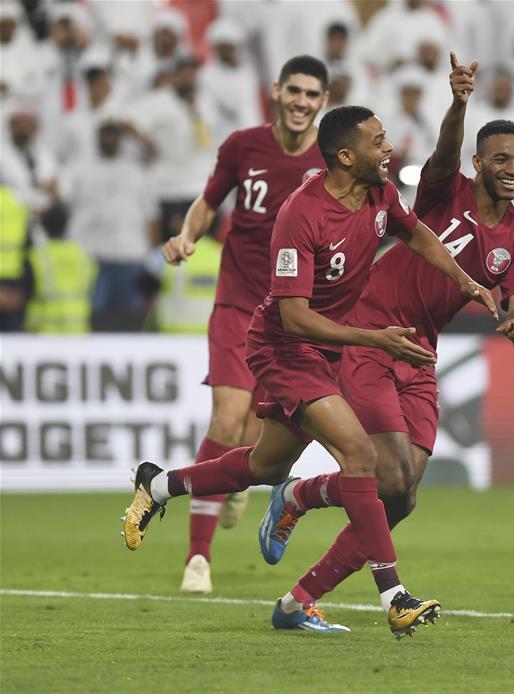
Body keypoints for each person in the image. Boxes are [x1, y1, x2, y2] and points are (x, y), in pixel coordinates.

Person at [123, 104, 499, 638]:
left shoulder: (381, 193)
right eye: (378, 140)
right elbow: (293, 316)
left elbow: (416, 236)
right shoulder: (302, 214)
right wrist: (373, 338)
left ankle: (157, 485)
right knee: (361, 454)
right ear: (347, 156)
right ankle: (394, 595)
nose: (389, 148)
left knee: (264, 467)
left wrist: (465, 281)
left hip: (326, 346)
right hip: (284, 345)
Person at [255, 54, 514, 615]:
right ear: (478, 162)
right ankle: (305, 508)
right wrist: (458, 103)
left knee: (403, 495)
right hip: (369, 332)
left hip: (419, 352)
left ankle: (298, 592)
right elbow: (444, 148)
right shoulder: (442, 192)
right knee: (387, 475)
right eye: (502, 158)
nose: (513, 168)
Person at [159, 55, 329, 595]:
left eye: (312, 94)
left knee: (263, 441)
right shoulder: (243, 146)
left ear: (323, 101)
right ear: (276, 91)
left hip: (295, 312)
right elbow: (208, 203)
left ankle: (242, 477)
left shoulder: (335, 157)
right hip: (236, 303)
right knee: (227, 417)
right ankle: (198, 559)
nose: (302, 101)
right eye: (294, 91)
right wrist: (189, 236)